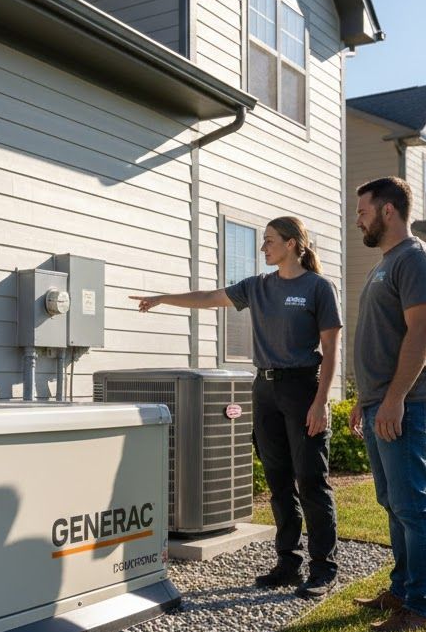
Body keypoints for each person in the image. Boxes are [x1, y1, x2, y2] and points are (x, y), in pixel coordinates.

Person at [131, 216, 342, 599]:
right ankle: (288, 563)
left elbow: (331, 352)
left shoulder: (318, 288)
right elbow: (209, 298)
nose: (263, 248)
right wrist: (164, 298)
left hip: (302, 388)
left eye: (270, 241)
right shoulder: (257, 287)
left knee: (311, 480)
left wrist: (321, 401)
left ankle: (324, 568)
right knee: (279, 482)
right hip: (264, 389)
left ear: (293, 244)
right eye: (263, 241)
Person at [349, 176, 426, 632]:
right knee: (393, 502)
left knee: (412, 503)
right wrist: (366, 402)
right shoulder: (387, 263)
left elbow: (420, 333)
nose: (358, 219)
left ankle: (422, 608)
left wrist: (393, 399)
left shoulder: (416, 259)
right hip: (380, 403)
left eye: (363, 210)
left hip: (407, 402)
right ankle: (404, 590)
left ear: (388, 211)